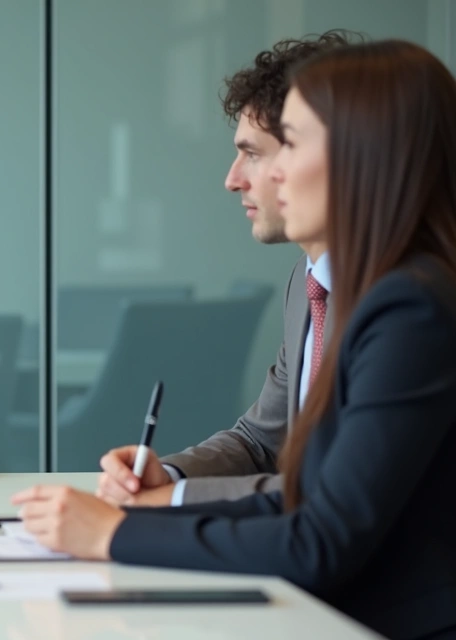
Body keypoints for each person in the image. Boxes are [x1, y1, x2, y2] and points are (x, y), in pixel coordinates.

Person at [13, 40, 456, 640]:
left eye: (289, 145)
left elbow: (320, 537)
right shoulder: (364, 288)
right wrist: (145, 509)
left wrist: (113, 533)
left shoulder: (411, 307)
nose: (266, 174)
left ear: (364, 156)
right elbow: (301, 495)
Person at [96, 31, 354, 507]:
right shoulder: (308, 281)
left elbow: (332, 493)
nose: (233, 179)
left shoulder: (401, 297)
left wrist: (170, 502)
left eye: (253, 153)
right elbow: (261, 441)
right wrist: (168, 473)